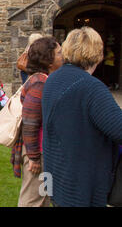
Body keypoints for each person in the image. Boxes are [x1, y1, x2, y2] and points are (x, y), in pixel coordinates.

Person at [42, 27, 122, 207]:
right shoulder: (91, 87)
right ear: (98, 54)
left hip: (57, 174)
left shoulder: (53, 79)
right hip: (80, 184)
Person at [11, 36, 63, 207]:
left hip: (43, 151)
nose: (63, 56)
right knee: (33, 200)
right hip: (37, 153)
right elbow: (30, 122)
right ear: (48, 60)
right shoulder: (39, 83)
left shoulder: (44, 79)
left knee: (44, 196)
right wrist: (33, 157)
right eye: (59, 53)